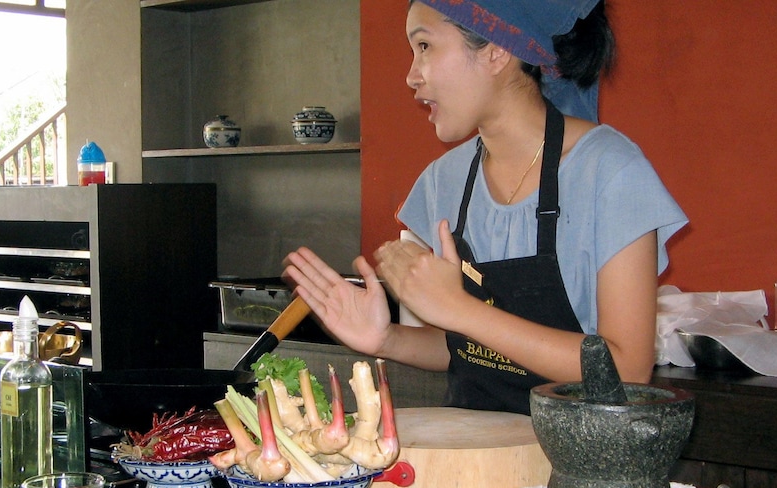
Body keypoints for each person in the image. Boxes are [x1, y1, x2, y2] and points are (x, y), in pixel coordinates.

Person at [283, 0, 687, 415]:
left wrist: (461, 309)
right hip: (479, 457)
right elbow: (469, 348)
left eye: (424, 46)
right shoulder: (444, 182)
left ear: (497, 50)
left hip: (581, 466)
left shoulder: (609, 171)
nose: (411, 76)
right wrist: (386, 339)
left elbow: (627, 369)